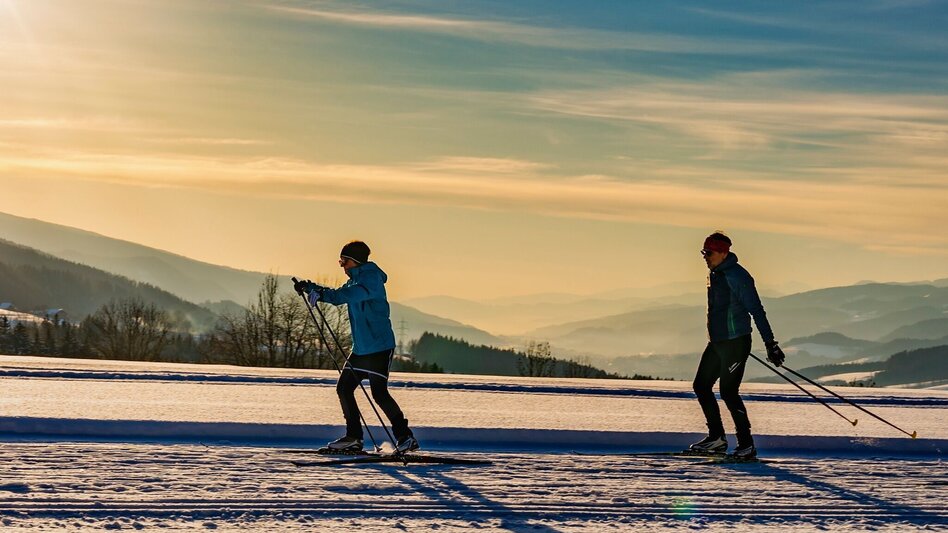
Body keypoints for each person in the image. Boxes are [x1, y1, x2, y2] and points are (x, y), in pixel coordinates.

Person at [294, 240, 419, 454]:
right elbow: (338, 294)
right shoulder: (355, 280)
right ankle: (354, 438)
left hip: (379, 347)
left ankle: (405, 438)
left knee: (379, 394)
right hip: (361, 349)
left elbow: (344, 297)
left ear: (356, 261)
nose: (342, 265)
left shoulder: (370, 280)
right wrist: (311, 288)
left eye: (344, 261)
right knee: (344, 389)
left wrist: (320, 294)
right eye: (340, 261)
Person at [690, 232, 785, 459]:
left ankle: (746, 445)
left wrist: (770, 343)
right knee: (701, 386)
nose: (705, 257)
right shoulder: (715, 275)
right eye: (703, 252)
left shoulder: (737, 276)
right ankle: (717, 439)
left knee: (728, 392)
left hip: (736, 343)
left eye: (709, 252)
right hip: (718, 342)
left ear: (723, 253)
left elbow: (757, 310)